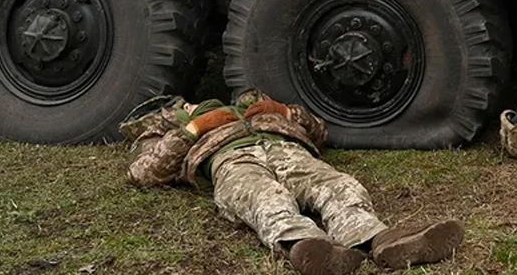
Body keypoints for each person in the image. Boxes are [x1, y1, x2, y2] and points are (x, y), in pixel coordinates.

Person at [123, 92, 463, 274]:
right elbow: (144, 172)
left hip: (288, 148)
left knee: (336, 185)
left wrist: (284, 113)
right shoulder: (172, 126)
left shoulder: (253, 101)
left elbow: (320, 132)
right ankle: (306, 246)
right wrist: (194, 129)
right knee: (263, 197)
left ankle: (380, 240)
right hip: (232, 158)